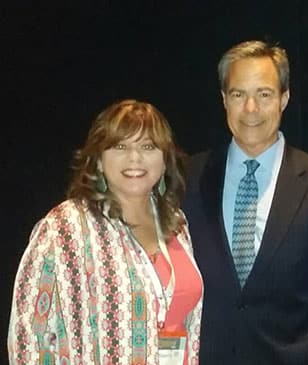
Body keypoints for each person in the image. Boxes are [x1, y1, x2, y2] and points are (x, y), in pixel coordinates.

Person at [182, 40, 308, 364]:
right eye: (238, 95)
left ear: (284, 99)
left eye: (264, 94)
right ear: (224, 100)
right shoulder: (189, 177)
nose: (250, 109)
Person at [7, 100, 203, 364]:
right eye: (121, 146)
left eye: (148, 146)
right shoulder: (65, 228)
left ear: (165, 161)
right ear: (98, 161)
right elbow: (29, 338)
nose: (135, 158)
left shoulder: (177, 224)